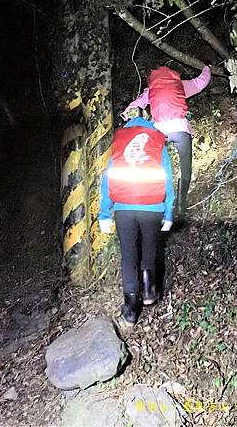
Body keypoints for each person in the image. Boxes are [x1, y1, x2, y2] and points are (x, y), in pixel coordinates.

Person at [98, 116, 174, 326]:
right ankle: (149, 291)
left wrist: (105, 213)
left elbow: (108, 179)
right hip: (152, 207)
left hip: (123, 208)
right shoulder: (157, 141)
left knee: (128, 255)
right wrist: (168, 213)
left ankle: (131, 308)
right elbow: (168, 180)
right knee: (150, 249)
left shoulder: (120, 141)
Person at [120, 65, 211, 216]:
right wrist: (206, 67)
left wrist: (125, 114)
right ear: (172, 75)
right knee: (185, 168)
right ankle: (181, 204)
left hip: (160, 132)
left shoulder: (151, 91)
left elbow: (135, 106)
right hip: (180, 129)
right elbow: (201, 82)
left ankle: (158, 202)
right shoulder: (179, 85)